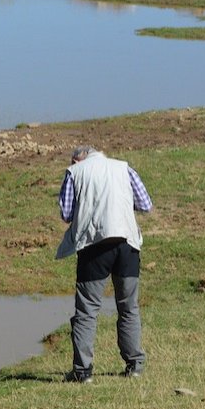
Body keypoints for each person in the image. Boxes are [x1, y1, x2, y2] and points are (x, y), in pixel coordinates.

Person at [57, 145, 153, 383]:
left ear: (77, 161)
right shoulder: (124, 168)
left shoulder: (75, 172)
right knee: (129, 306)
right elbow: (145, 204)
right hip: (127, 243)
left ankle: (83, 371)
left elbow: (66, 213)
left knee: (87, 310)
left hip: (94, 245)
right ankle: (135, 365)